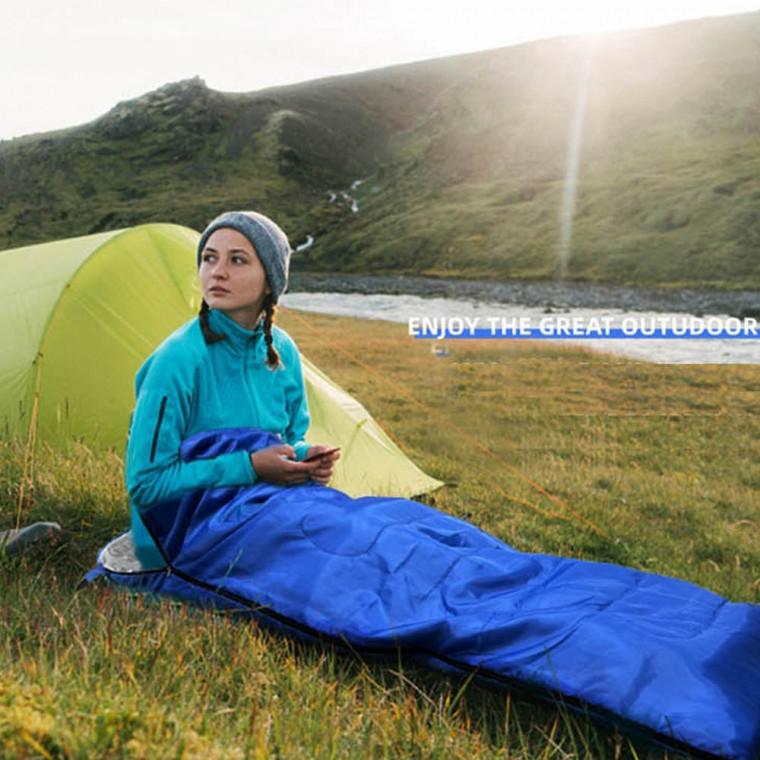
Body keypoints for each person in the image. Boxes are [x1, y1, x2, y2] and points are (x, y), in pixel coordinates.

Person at [125, 210, 340, 567]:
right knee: (330, 562)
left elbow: (288, 438)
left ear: (270, 281)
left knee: (357, 532)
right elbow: (147, 485)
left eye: (237, 260)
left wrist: (305, 460)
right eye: (209, 258)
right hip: (183, 532)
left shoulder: (281, 350)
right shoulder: (177, 360)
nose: (217, 272)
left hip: (264, 506)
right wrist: (251, 467)